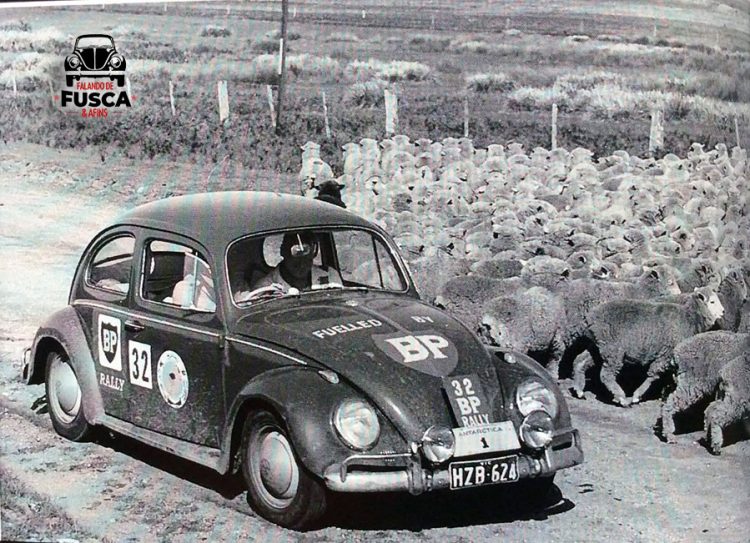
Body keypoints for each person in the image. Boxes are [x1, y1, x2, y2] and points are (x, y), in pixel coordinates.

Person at [234, 231, 340, 302]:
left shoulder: (329, 276)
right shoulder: (265, 288)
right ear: (283, 252)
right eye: (296, 262)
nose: (302, 265)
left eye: (307, 260)